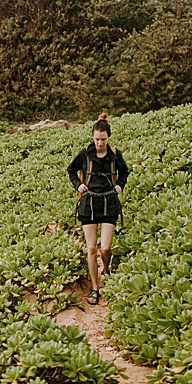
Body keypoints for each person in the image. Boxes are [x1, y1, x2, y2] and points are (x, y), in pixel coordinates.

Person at [66, 114, 129, 305]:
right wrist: (78, 185)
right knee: (92, 248)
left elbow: (124, 172)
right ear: (92, 137)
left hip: (109, 202)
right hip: (88, 204)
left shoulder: (115, 154)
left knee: (106, 248)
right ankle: (95, 287)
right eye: (96, 139)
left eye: (103, 139)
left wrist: (121, 185)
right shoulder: (85, 153)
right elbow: (71, 170)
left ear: (108, 138)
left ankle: (107, 269)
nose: (99, 143)